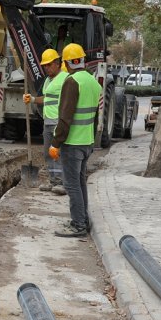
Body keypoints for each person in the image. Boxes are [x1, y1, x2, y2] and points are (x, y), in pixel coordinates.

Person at [48, 43, 101, 238]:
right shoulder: (93, 82)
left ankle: (78, 224)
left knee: (71, 185)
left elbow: (65, 117)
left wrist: (56, 142)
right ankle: (82, 219)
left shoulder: (72, 82)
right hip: (87, 141)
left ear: (68, 63)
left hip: (72, 143)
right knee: (79, 183)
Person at [26, 48, 66, 192]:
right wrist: (33, 99)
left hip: (58, 122)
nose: (46, 68)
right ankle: (53, 181)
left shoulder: (65, 78)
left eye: (49, 65)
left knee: (57, 153)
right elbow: (47, 98)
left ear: (57, 63)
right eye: (45, 66)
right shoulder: (48, 80)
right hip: (48, 121)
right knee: (48, 153)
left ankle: (61, 183)